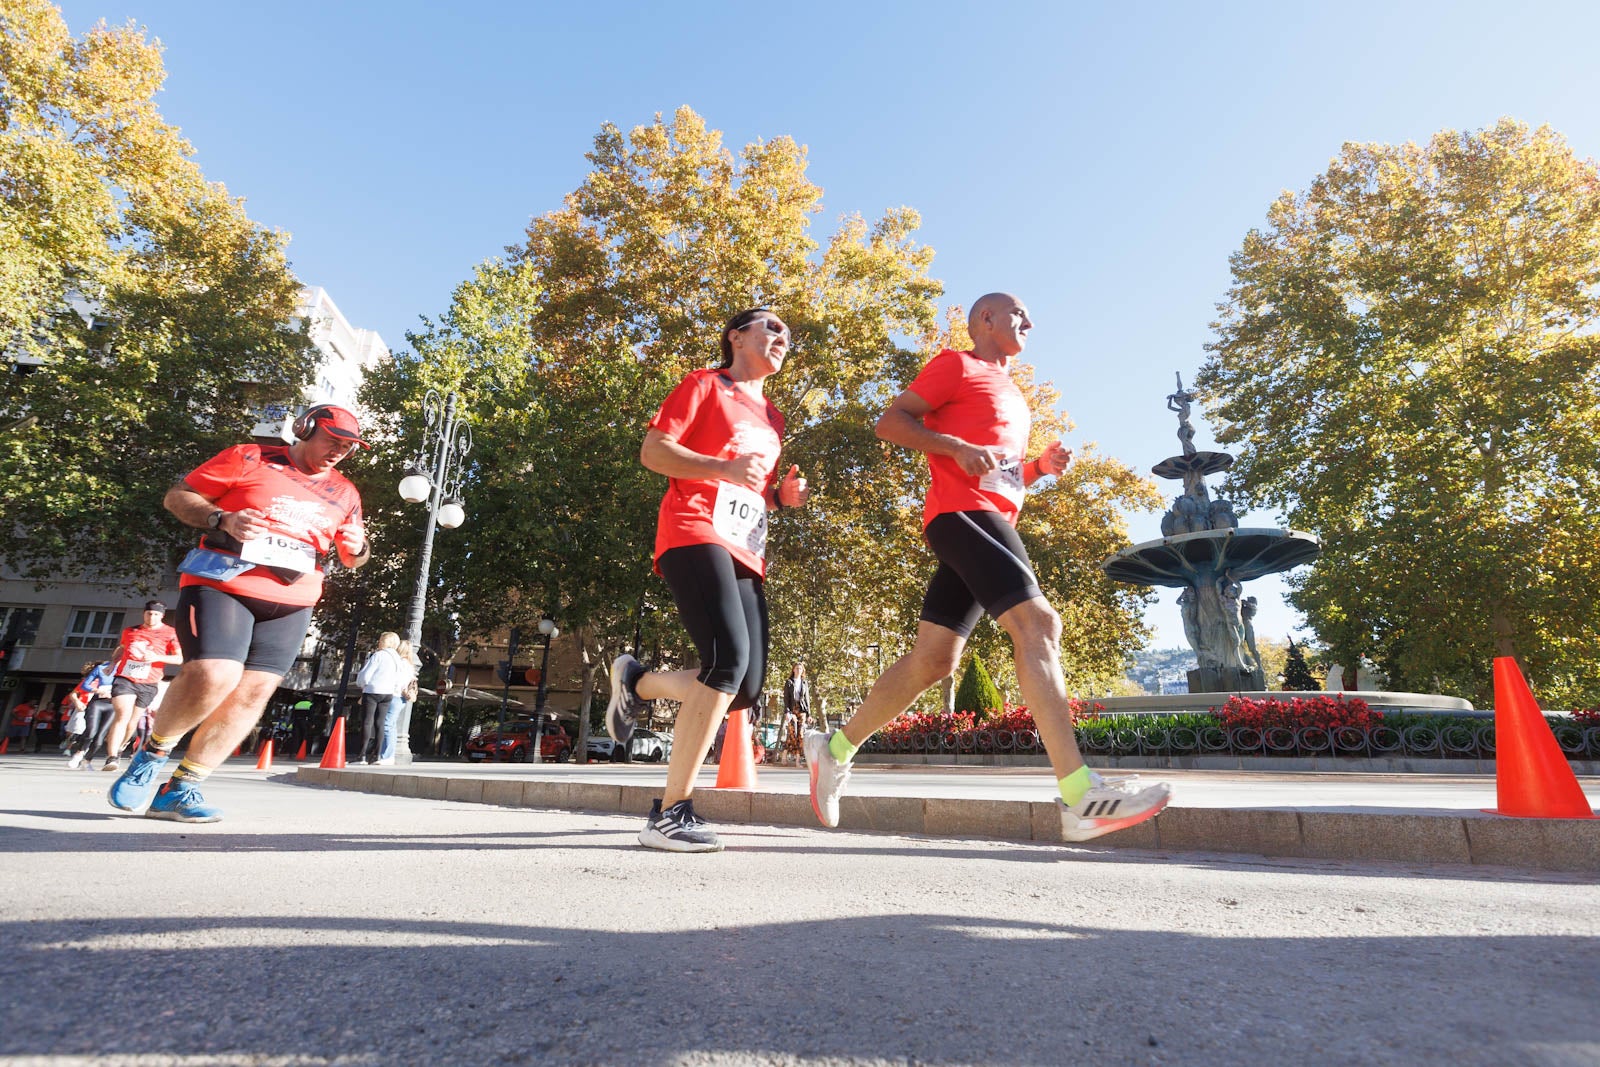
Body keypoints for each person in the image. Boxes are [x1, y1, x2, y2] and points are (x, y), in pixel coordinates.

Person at [803, 293, 1172, 841]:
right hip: (962, 515)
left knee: (934, 660)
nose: (1030, 321)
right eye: (1018, 313)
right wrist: (951, 445)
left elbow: (1000, 472)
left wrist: (1038, 469)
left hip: (985, 517)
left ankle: (831, 752)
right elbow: (890, 422)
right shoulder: (956, 364)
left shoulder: (1014, 395)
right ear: (986, 320)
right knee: (1040, 624)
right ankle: (1079, 796)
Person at [604, 308, 810, 852]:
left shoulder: (773, 417)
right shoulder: (704, 385)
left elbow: (751, 486)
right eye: (771, 327)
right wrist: (721, 469)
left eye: (787, 335)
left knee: (744, 687)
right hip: (693, 531)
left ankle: (638, 683)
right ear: (736, 336)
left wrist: (778, 498)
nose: (781, 337)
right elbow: (654, 452)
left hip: (746, 548)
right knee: (724, 662)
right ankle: (669, 813)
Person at [107, 403, 372, 822]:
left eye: (348, 446)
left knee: (254, 692)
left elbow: (353, 554)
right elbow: (178, 497)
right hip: (223, 581)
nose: (340, 451)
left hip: (294, 598)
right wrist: (222, 517)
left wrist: (358, 550)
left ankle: (181, 789)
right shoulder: (250, 457)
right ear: (305, 429)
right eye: (332, 441)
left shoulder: (346, 492)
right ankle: (152, 755)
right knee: (216, 674)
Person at [97, 601, 182, 771]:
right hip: (125, 679)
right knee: (122, 716)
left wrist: (157, 658)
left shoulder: (170, 633)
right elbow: (122, 648)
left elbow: (179, 659)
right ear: (144, 613)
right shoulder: (131, 631)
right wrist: (113, 663)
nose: (152, 617)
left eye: (156, 614)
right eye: (149, 613)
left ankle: (122, 745)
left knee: (132, 722)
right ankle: (111, 757)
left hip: (149, 682)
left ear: (162, 615)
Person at [355, 632, 403, 765]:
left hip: (373, 690)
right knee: (380, 723)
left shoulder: (379, 655)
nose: (379, 642)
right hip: (388, 693)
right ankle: (376, 755)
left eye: (381, 640)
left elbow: (365, 675)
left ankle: (361, 755)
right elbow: (399, 679)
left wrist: (362, 684)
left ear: (385, 642)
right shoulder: (397, 659)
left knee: (367, 722)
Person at [64, 660, 116, 769]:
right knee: (89, 731)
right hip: (91, 705)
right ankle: (76, 752)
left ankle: (86, 760)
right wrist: (79, 702)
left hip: (112, 705)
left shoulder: (123, 674)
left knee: (100, 737)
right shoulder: (97, 675)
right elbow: (76, 692)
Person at [379, 640, 420, 766]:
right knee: (391, 725)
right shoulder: (409, 664)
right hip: (400, 697)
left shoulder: (401, 663)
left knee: (387, 724)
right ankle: (385, 754)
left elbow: (397, 680)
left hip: (395, 695)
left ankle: (387, 755)